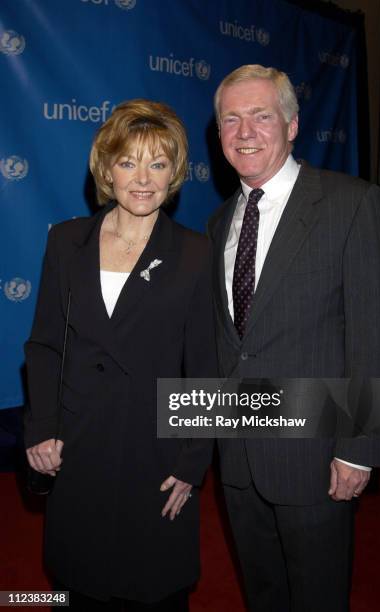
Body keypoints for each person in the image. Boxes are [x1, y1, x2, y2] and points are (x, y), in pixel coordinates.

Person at [208, 65, 380, 612]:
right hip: (240, 455)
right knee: (262, 594)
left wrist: (360, 451)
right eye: (231, 119)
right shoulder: (218, 223)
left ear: (292, 125)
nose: (245, 131)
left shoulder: (352, 203)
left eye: (261, 116)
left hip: (316, 457)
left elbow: (375, 331)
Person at [24, 99, 216, 611]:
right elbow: (43, 344)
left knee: (154, 589)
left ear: (174, 172)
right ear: (106, 168)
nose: (143, 178)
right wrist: (42, 427)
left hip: (154, 453)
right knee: (81, 585)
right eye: (129, 161)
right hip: (78, 446)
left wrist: (192, 462)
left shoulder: (196, 254)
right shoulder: (67, 242)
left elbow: (204, 367)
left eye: (158, 163)